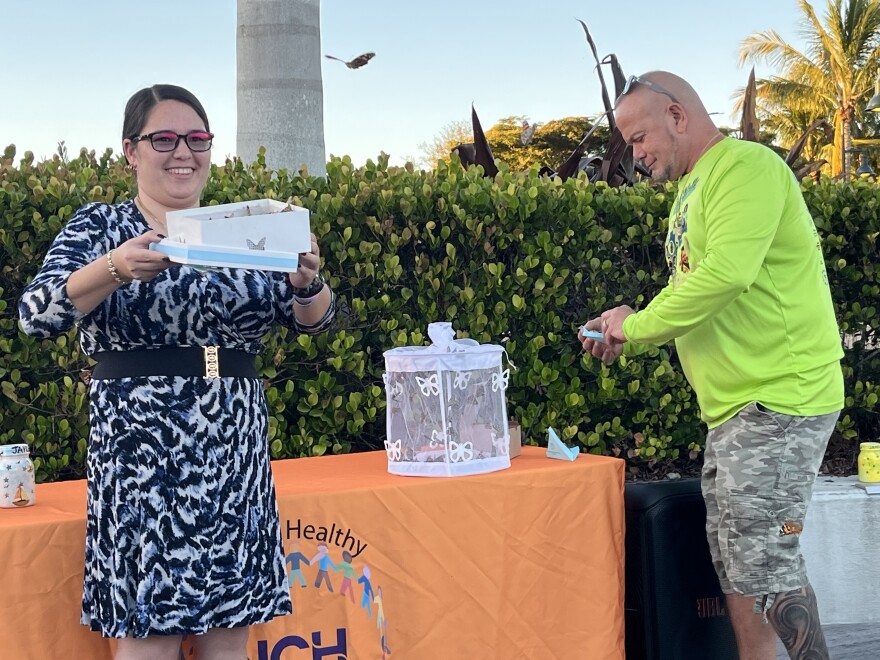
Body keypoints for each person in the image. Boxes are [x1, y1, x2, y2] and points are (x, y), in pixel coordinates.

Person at [19, 84, 336, 660]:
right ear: (130, 152)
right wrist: (114, 268)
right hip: (143, 450)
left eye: (196, 138)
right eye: (162, 138)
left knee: (229, 641)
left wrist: (307, 281)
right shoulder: (101, 228)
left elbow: (314, 323)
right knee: (151, 644)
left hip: (234, 444)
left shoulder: (244, 227)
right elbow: (36, 315)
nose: (182, 151)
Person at [579, 72, 843, 660]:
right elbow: (697, 291)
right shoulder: (693, 189)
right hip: (736, 410)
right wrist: (631, 321)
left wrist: (638, 325)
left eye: (640, 137)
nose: (637, 155)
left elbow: (727, 275)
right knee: (738, 571)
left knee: (769, 571)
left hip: (779, 400)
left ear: (677, 116)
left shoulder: (746, 168)